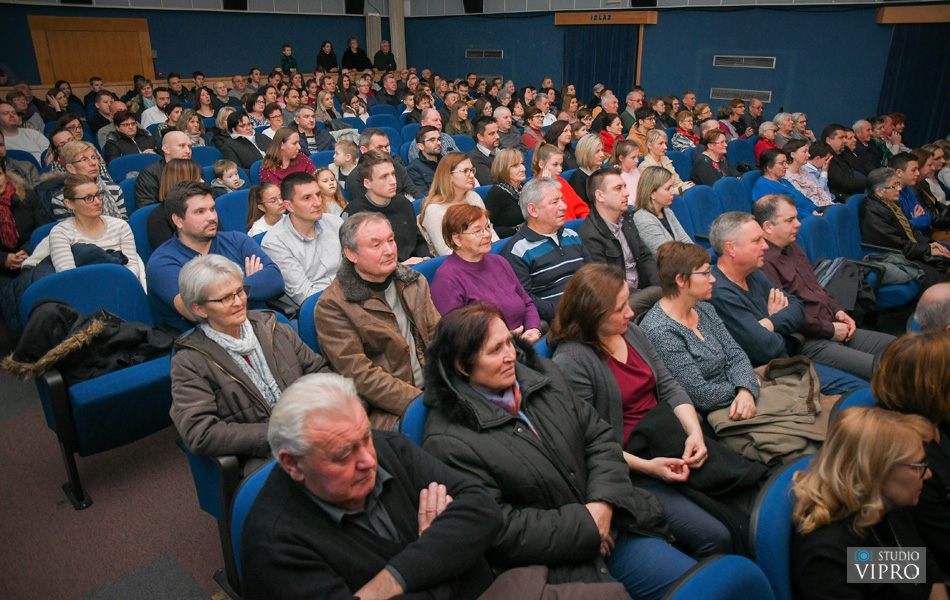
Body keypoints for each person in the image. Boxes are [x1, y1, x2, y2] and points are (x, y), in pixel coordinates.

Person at [421, 304, 697, 599]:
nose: (511, 355)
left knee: (701, 578)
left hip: (613, 517)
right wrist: (587, 525)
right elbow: (501, 528)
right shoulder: (447, 442)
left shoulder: (542, 376)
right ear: (463, 366)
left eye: (509, 342)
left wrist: (602, 504)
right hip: (553, 567)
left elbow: (599, 438)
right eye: (495, 350)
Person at [240, 372, 504, 600]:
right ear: (293, 464)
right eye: (344, 454)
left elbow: (483, 509)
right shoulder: (273, 546)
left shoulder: (388, 447)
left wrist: (393, 580)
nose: (368, 460)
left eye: (366, 436)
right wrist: (445, 555)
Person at [552, 263, 733, 557]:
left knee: (737, 499)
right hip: (633, 466)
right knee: (716, 535)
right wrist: (650, 467)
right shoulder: (572, 362)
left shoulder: (631, 332)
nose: (630, 312)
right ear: (592, 315)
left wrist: (694, 432)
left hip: (667, 439)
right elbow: (590, 442)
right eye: (619, 308)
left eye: (627, 302)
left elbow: (669, 385)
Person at [170, 253, 326, 474]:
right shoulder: (189, 362)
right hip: (263, 457)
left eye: (240, 291)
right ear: (199, 309)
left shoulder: (272, 327)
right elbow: (201, 433)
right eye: (225, 298)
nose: (238, 302)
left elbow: (319, 371)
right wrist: (280, 433)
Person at [790, 407, 945, 600]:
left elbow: (923, 575)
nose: (928, 474)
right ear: (876, 472)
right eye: (918, 466)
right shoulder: (829, 556)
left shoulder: (884, 507)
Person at [706, 211, 867, 394]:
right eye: (756, 241)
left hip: (789, 361)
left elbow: (797, 307)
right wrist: (778, 322)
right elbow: (767, 349)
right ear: (731, 249)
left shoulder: (754, 274)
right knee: (862, 390)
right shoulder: (719, 293)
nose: (765, 246)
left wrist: (769, 323)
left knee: (869, 382)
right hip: (767, 375)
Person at [313, 212, 440, 429]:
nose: (389, 250)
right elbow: (361, 376)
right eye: (376, 245)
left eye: (391, 240)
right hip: (390, 409)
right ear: (351, 254)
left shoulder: (413, 281)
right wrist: (423, 403)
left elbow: (439, 336)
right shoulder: (332, 306)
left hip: (435, 387)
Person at [755, 194, 894, 380]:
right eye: (790, 220)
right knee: (887, 370)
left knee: (900, 348)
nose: (798, 224)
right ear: (768, 227)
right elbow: (789, 315)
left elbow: (816, 288)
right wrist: (831, 330)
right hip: (809, 340)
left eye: (796, 218)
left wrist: (838, 311)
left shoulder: (792, 246)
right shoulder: (763, 263)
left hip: (831, 324)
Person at [640, 241, 761, 418]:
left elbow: (736, 355)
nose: (713, 279)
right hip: (714, 415)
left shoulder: (704, 309)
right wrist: (745, 386)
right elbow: (701, 395)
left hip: (740, 399)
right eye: (705, 273)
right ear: (681, 280)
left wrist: (746, 390)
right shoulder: (661, 331)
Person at [147, 181, 284, 331]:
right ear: (178, 220)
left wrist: (219, 296)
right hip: (207, 339)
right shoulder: (162, 262)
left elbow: (276, 279)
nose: (211, 217)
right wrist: (250, 283)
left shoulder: (237, 240)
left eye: (212, 209)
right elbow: (194, 311)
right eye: (200, 212)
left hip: (261, 326)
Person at [872, 332, 950, 574]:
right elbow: (935, 554)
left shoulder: (935, 418)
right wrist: (931, 582)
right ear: (936, 389)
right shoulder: (911, 463)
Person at [430, 203, 540, 340]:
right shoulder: (446, 280)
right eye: (477, 231)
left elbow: (527, 302)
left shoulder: (499, 262)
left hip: (526, 340)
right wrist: (502, 339)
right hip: (488, 349)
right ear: (457, 239)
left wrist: (533, 328)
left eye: (487, 227)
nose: (487, 234)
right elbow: (456, 337)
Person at [500, 178, 591, 322]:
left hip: (592, 309)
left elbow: (592, 274)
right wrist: (567, 312)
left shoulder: (571, 235)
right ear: (533, 210)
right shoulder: (517, 251)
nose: (564, 206)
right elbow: (525, 299)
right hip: (560, 320)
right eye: (554, 202)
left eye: (562, 200)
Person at [580, 167, 663, 315]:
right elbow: (606, 284)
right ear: (600, 196)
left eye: (625, 187)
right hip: (619, 302)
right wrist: (657, 293)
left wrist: (660, 287)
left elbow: (645, 256)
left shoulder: (626, 219)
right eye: (618, 188)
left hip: (644, 292)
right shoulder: (589, 234)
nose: (626, 193)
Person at [859, 167, 949, 289]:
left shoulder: (893, 204)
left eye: (898, 184)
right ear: (880, 192)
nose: (899, 189)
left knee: (943, 257)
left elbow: (911, 231)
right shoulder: (873, 213)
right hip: (890, 255)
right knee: (938, 271)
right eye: (894, 186)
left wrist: (930, 243)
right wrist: (927, 250)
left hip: (905, 250)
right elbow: (896, 244)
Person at [261, 172, 343, 305]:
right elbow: (304, 295)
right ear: (289, 206)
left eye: (318, 195)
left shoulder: (335, 223)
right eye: (307, 198)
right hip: (322, 306)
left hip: (352, 294)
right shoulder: (275, 243)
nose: (318, 203)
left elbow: (357, 267)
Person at [48, 173, 142, 283]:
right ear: (69, 204)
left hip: (121, 284)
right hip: (84, 288)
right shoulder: (61, 233)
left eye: (98, 195)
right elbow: (68, 276)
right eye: (88, 198)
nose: (97, 202)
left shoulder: (120, 226)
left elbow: (132, 267)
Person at [342, 150, 428, 263]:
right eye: (384, 177)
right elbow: (354, 262)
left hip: (415, 267)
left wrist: (425, 259)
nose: (393, 181)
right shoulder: (353, 214)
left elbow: (418, 242)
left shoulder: (404, 203)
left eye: (393, 174)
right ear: (367, 183)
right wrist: (400, 267)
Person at [418, 152, 496, 256]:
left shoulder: (473, 197)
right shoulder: (434, 210)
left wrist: (498, 251)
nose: (472, 176)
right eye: (465, 171)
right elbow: (445, 252)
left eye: (472, 170)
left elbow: (490, 231)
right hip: (461, 262)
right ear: (449, 176)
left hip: (484, 254)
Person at [50, 140, 126, 221]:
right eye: (84, 159)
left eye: (94, 158)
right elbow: (70, 228)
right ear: (71, 168)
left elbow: (124, 223)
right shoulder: (61, 199)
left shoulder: (114, 189)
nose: (93, 163)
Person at [0, 159, 47, 286]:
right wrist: (4, 259)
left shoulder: (27, 196)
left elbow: (44, 228)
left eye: (0, 174)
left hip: (32, 255)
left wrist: (27, 249)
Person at [344, 128, 420, 203]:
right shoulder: (355, 177)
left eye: (387, 146)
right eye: (379, 147)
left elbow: (413, 191)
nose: (385, 150)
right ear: (364, 150)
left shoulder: (395, 164)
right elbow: (368, 206)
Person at [634, 166, 692, 255]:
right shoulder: (643, 219)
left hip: (681, 260)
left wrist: (697, 256)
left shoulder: (667, 211)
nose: (673, 192)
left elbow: (685, 240)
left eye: (672, 187)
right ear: (652, 194)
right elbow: (665, 255)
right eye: (668, 189)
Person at [752, 149, 819, 219]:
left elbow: (802, 197)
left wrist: (814, 210)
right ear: (769, 167)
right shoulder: (764, 187)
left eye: (786, 162)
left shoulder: (783, 181)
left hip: (810, 214)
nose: (786, 166)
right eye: (782, 163)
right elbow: (783, 212)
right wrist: (811, 217)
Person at [134, 130, 193, 210]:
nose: (188, 151)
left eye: (190, 147)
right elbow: (147, 210)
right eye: (182, 146)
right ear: (166, 149)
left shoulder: (195, 169)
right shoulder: (149, 175)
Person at [531, 143, 589, 219]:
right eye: (555, 165)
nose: (560, 169)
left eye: (561, 165)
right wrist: (546, 185)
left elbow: (581, 208)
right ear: (541, 164)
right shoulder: (534, 188)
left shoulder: (562, 182)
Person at [483, 148, 527, 238]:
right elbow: (487, 227)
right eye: (515, 166)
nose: (523, 169)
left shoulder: (524, 188)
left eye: (522, 164)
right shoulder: (497, 193)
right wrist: (516, 230)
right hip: (508, 240)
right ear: (503, 169)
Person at [638, 129, 695, 196]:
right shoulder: (644, 167)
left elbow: (677, 182)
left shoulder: (665, 159)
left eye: (665, 143)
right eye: (660, 143)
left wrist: (688, 184)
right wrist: (680, 189)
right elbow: (657, 192)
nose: (665, 147)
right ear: (649, 145)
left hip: (674, 195)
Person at [782, 139, 834, 209]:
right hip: (812, 209)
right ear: (793, 154)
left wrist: (830, 204)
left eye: (808, 152)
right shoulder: (786, 176)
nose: (809, 155)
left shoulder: (802, 170)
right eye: (804, 152)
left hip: (824, 205)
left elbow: (819, 190)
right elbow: (804, 200)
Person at [822, 124, 866, 200]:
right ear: (829, 140)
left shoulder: (845, 152)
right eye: (841, 138)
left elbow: (863, 167)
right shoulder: (827, 159)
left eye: (845, 137)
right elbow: (846, 184)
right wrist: (869, 182)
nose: (845, 141)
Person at [569, 134, 606, 207]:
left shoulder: (605, 172)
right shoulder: (577, 178)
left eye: (602, 150)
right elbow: (582, 206)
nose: (602, 155)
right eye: (597, 151)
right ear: (586, 154)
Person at [405, 125, 441, 197]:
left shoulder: (447, 162)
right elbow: (424, 196)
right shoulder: (414, 168)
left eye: (439, 139)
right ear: (420, 146)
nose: (438, 143)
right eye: (432, 140)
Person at [467, 116, 499, 186]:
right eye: (492, 133)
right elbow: (490, 183)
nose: (497, 136)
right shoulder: (474, 158)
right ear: (480, 137)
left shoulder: (501, 152)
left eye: (497, 132)